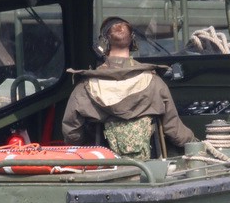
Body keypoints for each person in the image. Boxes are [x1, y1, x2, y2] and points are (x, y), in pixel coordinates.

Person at [62, 17, 196, 160]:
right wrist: (196, 144)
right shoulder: (154, 83)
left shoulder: (85, 88)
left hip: (104, 167)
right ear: (132, 42)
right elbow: (174, 130)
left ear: (103, 44)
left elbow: (72, 134)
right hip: (149, 167)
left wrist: (90, 146)